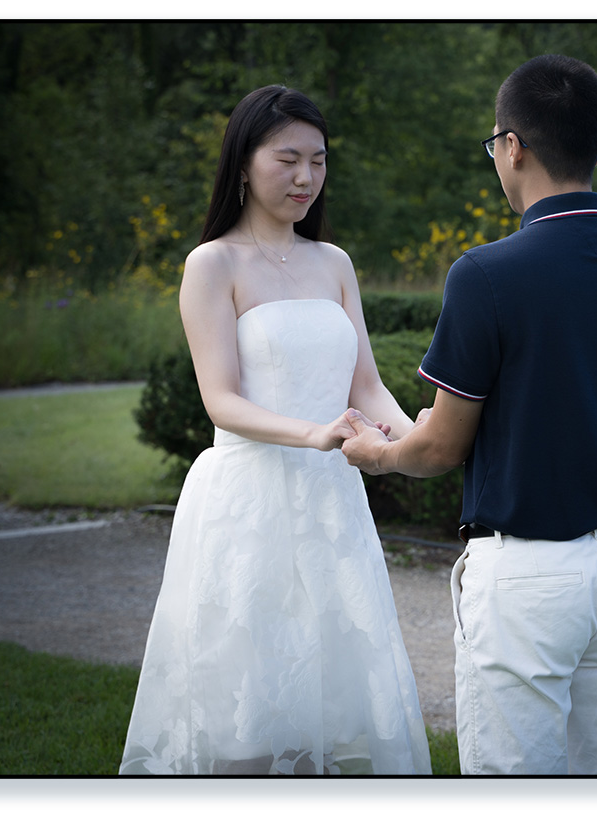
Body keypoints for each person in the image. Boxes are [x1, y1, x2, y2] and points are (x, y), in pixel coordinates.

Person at [341, 54, 597, 775]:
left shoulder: (487, 272)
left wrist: (375, 452)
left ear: (512, 145)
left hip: (528, 573)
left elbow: (438, 448)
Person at [119, 86, 431, 775]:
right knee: (246, 709)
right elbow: (221, 401)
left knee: (332, 707)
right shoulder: (213, 265)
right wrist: (313, 433)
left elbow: (367, 386)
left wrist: (422, 440)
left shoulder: (334, 263)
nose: (305, 178)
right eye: (287, 159)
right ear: (242, 163)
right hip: (246, 503)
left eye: (318, 161)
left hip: (330, 505)